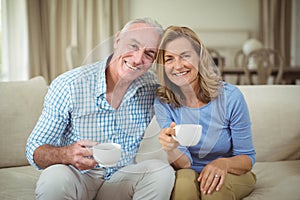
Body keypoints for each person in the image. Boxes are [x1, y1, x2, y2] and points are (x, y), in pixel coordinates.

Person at [26, 18, 175, 200]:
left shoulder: (151, 86)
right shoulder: (69, 85)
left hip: (121, 178)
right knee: (54, 178)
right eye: (133, 46)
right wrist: (66, 154)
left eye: (149, 53)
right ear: (118, 40)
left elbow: (190, 99)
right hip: (78, 176)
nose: (137, 59)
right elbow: (34, 150)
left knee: (161, 172)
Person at [154, 26, 256, 200]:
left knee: (213, 191)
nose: (177, 66)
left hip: (231, 170)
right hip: (188, 170)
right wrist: (171, 149)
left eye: (185, 56)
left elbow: (247, 158)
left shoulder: (231, 97)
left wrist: (222, 163)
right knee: (183, 187)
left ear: (200, 58)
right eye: (169, 59)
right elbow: (185, 164)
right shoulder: (164, 101)